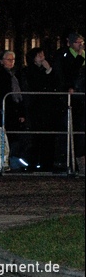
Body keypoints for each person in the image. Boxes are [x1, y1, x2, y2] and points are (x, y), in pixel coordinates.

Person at [0, 50, 30, 169]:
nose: (11, 62)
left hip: (14, 110)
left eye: (13, 60)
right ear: (2, 61)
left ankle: (13, 160)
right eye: (9, 59)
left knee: (14, 137)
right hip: (3, 110)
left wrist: (21, 112)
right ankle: (4, 162)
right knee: (4, 138)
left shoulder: (16, 74)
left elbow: (19, 95)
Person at [19, 47, 57, 171]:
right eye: (39, 55)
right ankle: (34, 164)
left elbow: (54, 83)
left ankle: (47, 164)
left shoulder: (44, 70)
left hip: (47, 108)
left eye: (42, 54)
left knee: (47, 137)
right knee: (37, 138)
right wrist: (47, 72)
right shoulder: (30, 71)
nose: (42, 57)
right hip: (37, 108)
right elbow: (38, 84)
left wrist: (49, 70)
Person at [53, 32, 85, 174]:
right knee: (72, 129)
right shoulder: (65, 56)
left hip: (81, 96)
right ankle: (69, 161)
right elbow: (68, 72)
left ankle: (79, 160)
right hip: (73, 97)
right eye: (78, 42)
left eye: (81, 42)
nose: (81, 45)